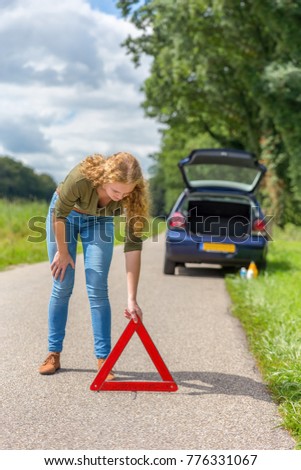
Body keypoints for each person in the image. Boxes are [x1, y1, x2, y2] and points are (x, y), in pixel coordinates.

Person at [39, 152, 149, 378]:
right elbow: (59, 215)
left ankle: (104, 360)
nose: (120, 197)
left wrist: (132, 298)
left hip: (99, 222)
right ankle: (53, 353)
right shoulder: (80, 178)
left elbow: (133, 247)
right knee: (62, 283)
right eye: (115, 190)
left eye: (126, 192)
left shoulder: (132, 196)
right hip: (65, 217)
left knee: (98, 286)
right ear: (104, 178)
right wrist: (62, 251)